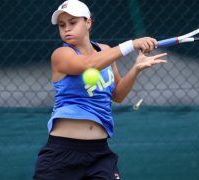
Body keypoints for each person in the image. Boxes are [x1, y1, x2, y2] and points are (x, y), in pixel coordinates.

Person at [33, 0, 167, 179]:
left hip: (99, 153)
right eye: (62, 25)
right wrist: (131, 44)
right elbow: (88, 64)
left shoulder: (105, 51)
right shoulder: (61, 54)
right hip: (62, 152)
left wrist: (135, 69)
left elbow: (117, 95)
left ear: (88, 22)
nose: (66, 28)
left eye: (73, 22)